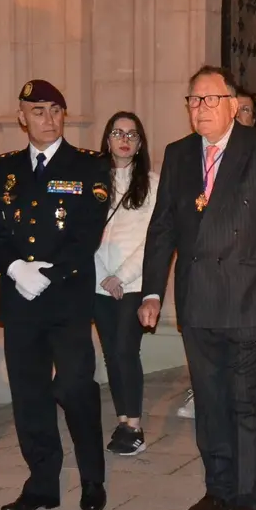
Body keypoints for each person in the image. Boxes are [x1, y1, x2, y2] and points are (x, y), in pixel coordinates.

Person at [140, 65, 256, 510]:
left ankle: (248, 498)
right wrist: (152, 290)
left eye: (210, 100)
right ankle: (218, 489)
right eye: (193, 100)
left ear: (233, 103)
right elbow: (163, 226)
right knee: (209, 401)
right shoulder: (179, 154)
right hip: (197, 300)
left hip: (248, 296)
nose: (200, 109)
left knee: (246, 401)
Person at [0, 79, 110, 510]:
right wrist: (17, 269)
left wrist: (49, 274)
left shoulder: (89, 165)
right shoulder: (5, 168)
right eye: (38, 111)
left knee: (75, 386)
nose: (49, 120)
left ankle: (92, 479)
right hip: (20, 297)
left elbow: (87, 230)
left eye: (56, 111)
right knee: (29, 393)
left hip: (67, 298)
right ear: (22, 117)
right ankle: (41, 483)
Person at [94, 112, 159, 456]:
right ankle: (122, 420)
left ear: (139, 143)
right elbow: (81, 232)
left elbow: (153, 239)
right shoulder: (92, 179)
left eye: (132, 134)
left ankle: (134, 424)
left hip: (131, 285)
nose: (124, 139)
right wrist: (102, 273)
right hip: (97, 282)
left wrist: (121, 276)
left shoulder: (152, 183)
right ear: (107, 139)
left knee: (124, 349)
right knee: (110, 353)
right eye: (117, 132)